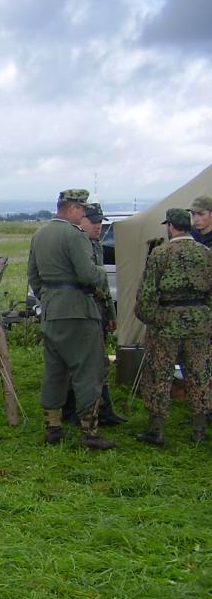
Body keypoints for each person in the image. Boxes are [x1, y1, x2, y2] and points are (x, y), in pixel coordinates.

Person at [27, 188, 114, 449]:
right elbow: (87, 274)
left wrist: (49, 298)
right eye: (83, 208)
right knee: (88, 370)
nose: (85, 213)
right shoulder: (75, 235)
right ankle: (90, 432)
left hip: (52, 311)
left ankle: (53, 427)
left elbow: (33, 275)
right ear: (73, 208)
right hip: (79, 312)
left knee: (55, 371)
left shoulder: (40, 234)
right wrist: (102, 273)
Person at [134, 208, 212, 445]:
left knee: (159, 374)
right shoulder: (205, 253)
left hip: (166, 323)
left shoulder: (160, 253)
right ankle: (199, 430)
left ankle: (156, 430)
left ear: (170, 226)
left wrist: (150, 318)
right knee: (199, 374)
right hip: (199, 323)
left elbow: (147, 293)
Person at [62, 202, 126, 425]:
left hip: (97, 310)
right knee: (78, 363)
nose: (98, 226)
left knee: (99, 362)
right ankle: (72, 409)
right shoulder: (74, 244)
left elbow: (103, 285)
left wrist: (111, 314)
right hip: (80, 311)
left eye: (100, 222)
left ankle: (103, 409)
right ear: (81, 220)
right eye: (93, 221)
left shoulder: (96, 245)